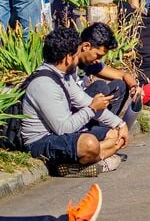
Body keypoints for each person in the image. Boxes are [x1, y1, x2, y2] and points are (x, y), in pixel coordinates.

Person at [20, 28, 128, 176]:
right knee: (89, 144)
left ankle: (87, 161)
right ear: (68, 58)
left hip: (63, 132)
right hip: (42, 141)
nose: (78, 58)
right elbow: (63, 128)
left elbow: (84, 101)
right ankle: (97, 159)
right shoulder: (44, 84)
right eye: (77, 54)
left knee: (115, 135)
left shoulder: (64, 76)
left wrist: (119, 124)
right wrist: (91, 109)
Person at [74, 23, 142, 124]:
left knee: (120, 85)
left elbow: (123, 75)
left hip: (89, 108)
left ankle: (104, 128)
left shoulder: (89, 62)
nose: (98, 60)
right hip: (73, 114)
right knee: (100, 86)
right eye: (97, 55)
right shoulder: (67, 63)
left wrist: (134, 87)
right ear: (86, 46)